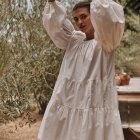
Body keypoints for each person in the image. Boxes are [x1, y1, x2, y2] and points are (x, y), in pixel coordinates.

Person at [38, 0, 125, 139]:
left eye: (84, 16)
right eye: (76, 19)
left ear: (95, 16)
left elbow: (110, 16)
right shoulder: (74, 41)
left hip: (95, 105)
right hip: (69, 103)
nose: (79, 22)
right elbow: (56, 26)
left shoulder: (105, 41)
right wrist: (52, 3)